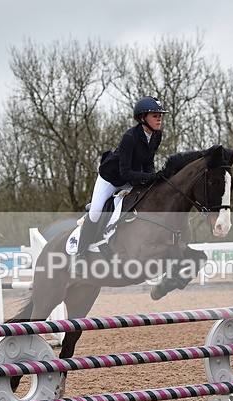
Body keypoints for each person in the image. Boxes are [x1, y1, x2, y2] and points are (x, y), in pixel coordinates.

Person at [71, 96, 167, 274]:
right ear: (142, 117)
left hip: (132, 179)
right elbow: (125, 173)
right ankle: (80, 255)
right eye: (155, 116)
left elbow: (148, 162)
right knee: (95, 212)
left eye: (160, 116)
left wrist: (153, 177)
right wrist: (150, 178)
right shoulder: (130, 137)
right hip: (111, 179)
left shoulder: (156, 136)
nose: (159, 119)